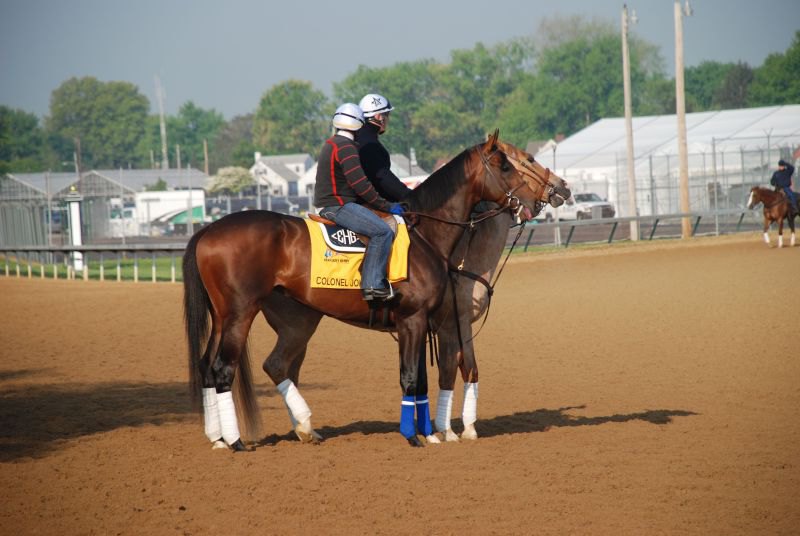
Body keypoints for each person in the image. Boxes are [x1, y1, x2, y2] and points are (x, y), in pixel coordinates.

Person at [314, 103, 403, 301]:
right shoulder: (347, 148)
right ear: (359, 123)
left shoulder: (334, 142)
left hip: (330, 203)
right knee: (382, 232)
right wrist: (388, 206)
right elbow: (361, 186)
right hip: (337, 206)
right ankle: (372, 286)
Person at [356, 93, 412, 202]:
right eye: (387, 115)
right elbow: (383, 178)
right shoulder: (370, 144)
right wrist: (409, 196)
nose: (388, 120)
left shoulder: (361, 137)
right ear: (379, 117)